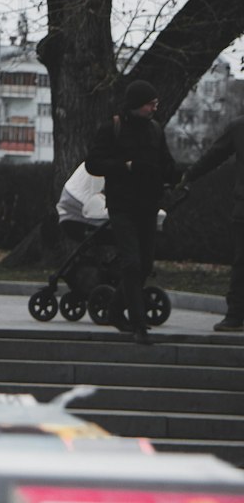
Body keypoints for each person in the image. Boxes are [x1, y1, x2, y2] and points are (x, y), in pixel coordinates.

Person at [85, 79, 179, 344]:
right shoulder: (112, 129)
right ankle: (139, 323)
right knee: (131, 262)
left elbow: (165, 161)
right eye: (150, 104)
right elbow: (93, 163)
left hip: (148, 205)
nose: (154, 108)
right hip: (122, 205)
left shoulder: (155, 130)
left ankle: (115, 309)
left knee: (146, 263)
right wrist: (123, 166)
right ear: (137, 105)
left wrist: (176, 177)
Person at [183, 118, 244, 331]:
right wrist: (188, 175)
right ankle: (235, 314)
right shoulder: (239, 127)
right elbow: (214, 156)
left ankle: (235, 315)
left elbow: (215, 155)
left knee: (241, 263)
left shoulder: (239, 127)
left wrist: (189, 175)